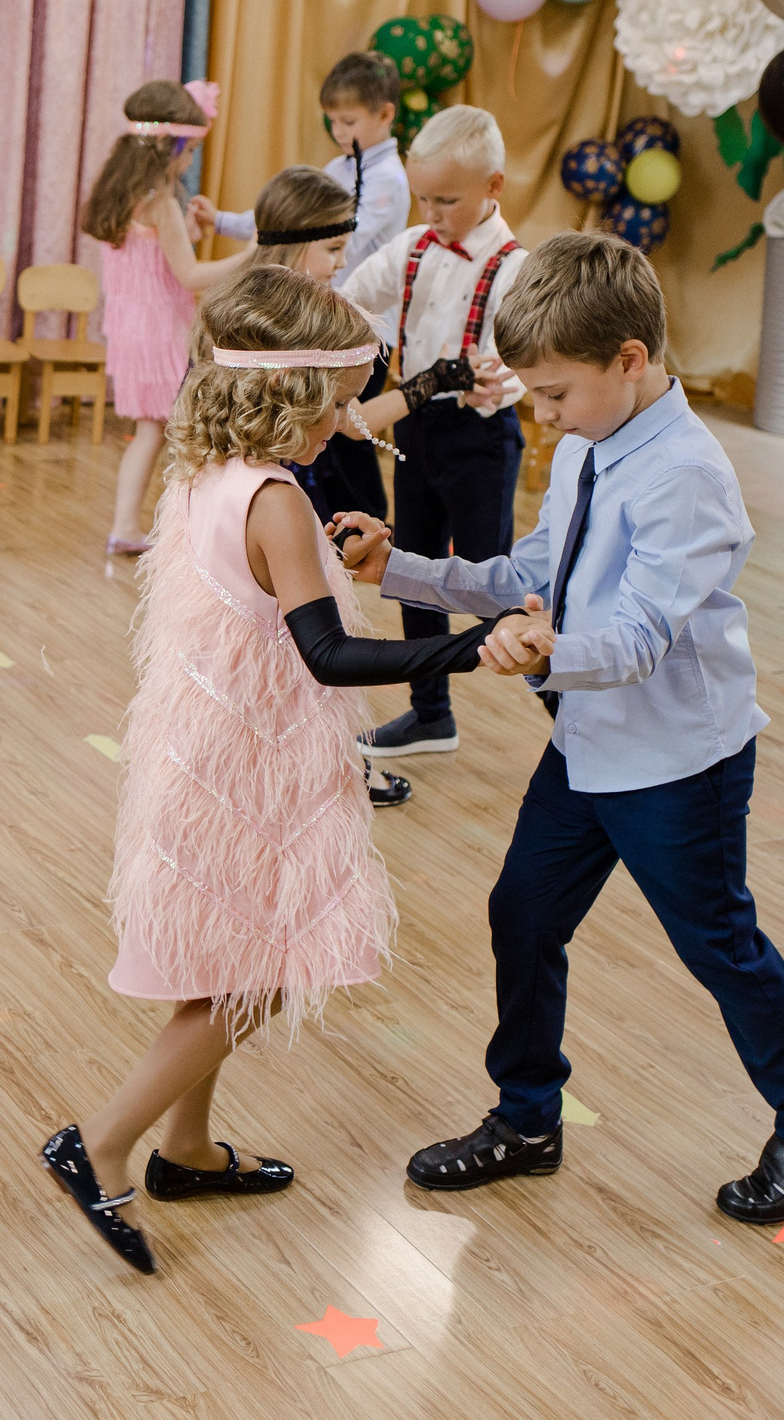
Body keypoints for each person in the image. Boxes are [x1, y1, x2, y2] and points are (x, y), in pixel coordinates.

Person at [335, 233, 784, 1227]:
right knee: (523, 915)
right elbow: (530, 570)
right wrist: (397, 567)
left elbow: (636, 640)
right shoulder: (591, 440)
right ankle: (527, 1117)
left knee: (719, 945)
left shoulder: (687, 475)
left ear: (629, 358)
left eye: (553, 393)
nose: (541, 416)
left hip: (676, 761)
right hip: (591, 737)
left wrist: (539, 654)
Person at [38, 265, 500, 1276]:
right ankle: (102, 1141)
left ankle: (188, 1148)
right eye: (335, 404)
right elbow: (328, 654)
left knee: (224, 959)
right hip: (253, 775)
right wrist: (472, 646)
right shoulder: (278, 500)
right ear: (289, 393)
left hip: (205, 753)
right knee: (259, 972)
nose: (345, 424)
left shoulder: (209, 474)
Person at [337, 104, 530, 761]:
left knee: (491, 588)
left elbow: (523, 359)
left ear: (493, 187)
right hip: (417, 430)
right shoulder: (413, 247)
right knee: (413, 573)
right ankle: (430, 714)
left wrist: (501, 382)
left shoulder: (514, 267)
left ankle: (572, 711)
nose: (432, 212)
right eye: (424, 198)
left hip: (481, 441)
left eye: (447, 200)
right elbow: (351, 300)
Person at [238, 162, 414, 812]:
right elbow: (350, 423)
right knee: (311, 637)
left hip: (294, 485)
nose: (342, 263)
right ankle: (332, 764)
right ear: (296, 242)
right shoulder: (284, 325)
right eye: (334, 249)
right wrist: (424, 391)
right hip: (292, 485)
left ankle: (331, 757)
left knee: (299, 633)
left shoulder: (249, 302)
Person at [213, 51, 411, 526]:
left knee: (343, 441)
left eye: (348, 121)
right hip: (316, 328)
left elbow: (334, 235)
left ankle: (363, 522)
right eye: (333, 122)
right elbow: (283, 221)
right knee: (318, 442)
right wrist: (220, 221)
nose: (339, 132)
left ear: (385, 114)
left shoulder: (388, 180)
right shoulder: (339, 167)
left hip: (356, 333)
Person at [81, 80, 251, 555]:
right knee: (184, 432)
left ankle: (126, 525)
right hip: (163, 331)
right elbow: (190, 274)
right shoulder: (160, 200)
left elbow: (156, 257)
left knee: (151, 431)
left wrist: (190, 229)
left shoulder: (122, 193)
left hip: (132, 329)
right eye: (190, 150)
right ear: (167, 145)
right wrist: (252, 256)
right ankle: (192, 531)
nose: (191, 161)